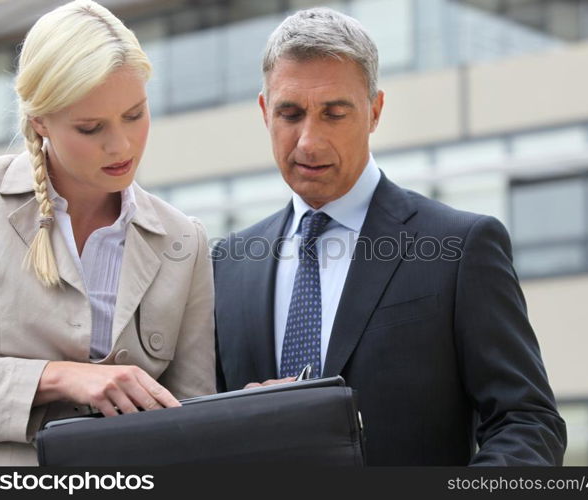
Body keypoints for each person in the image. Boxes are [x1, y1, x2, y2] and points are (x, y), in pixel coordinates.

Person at [213, 7, 566, 465]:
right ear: (265, 113)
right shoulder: (228, 265)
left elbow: (528, 422)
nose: (308, 141)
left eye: (334, 114)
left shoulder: (460, 247)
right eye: (290, 113)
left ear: (375, 111)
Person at [0, 0, 214, 466]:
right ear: (40, 121)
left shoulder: (186, 241)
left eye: (135, 115)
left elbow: (192, 424)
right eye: (90, 127)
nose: (120, 146)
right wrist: (56, 378)